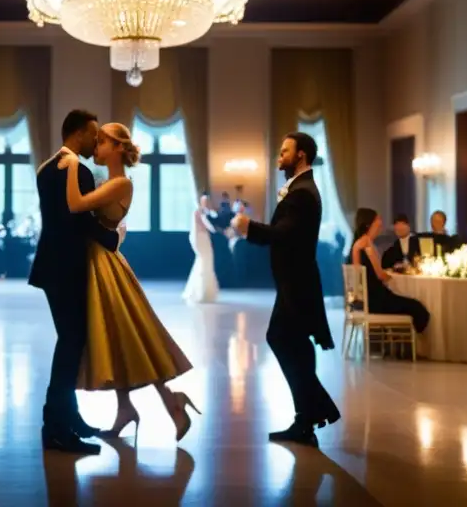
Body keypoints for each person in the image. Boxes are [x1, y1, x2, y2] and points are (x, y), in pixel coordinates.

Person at [60, 122, 196, 443]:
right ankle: (132, 407)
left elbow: (76, 205)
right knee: (118, 338)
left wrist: (70, 166)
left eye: (103, 140)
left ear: (119, 147)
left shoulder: (120, 183)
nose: (97, 144)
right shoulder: (110, 181)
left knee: (127, 335)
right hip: (100, 262)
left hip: (105, 266)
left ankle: (166, 401)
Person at [232, 132, 339, 447]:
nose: (279, 157)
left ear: (301, 155)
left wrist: (248, 227)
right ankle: (306, 418)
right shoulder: (301, 189)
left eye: (284, 152)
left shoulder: (303, 193)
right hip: (295, 281)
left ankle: (311, 413)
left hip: (298, 283)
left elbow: (285, 235)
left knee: (282, 339)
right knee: (295, 344)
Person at [29, 110, 123, 455]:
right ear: (79, 133)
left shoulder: (46, 166)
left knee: (69, 342)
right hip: (67, 268)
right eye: (93, 135)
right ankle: (55, 428)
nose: (96, 142)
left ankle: (69, 417)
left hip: (52, 266)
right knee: (70, 345)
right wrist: (113, 238)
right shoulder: (76, 169)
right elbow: (78, 220)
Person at [351, 208, 430, 333]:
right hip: (377, 301)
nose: (381, 222)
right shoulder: (366, 243)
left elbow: (357, 273)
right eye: (378, 220)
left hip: (365, 300)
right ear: (369, 224)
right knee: (418, 308)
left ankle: (401, 343)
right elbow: (380, 275)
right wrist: (391, 276)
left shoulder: (356, 244)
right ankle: (411, 346)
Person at [183, 193, 219, 304]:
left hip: (204, 237)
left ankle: (204, 291)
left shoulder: (205, 212)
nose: (206, 203)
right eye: (204, 201)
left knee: (204, 261)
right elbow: (206, 226)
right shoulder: (198, 212)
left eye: (207, 201)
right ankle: (201, 292)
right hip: (201, 238)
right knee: (204, 260)